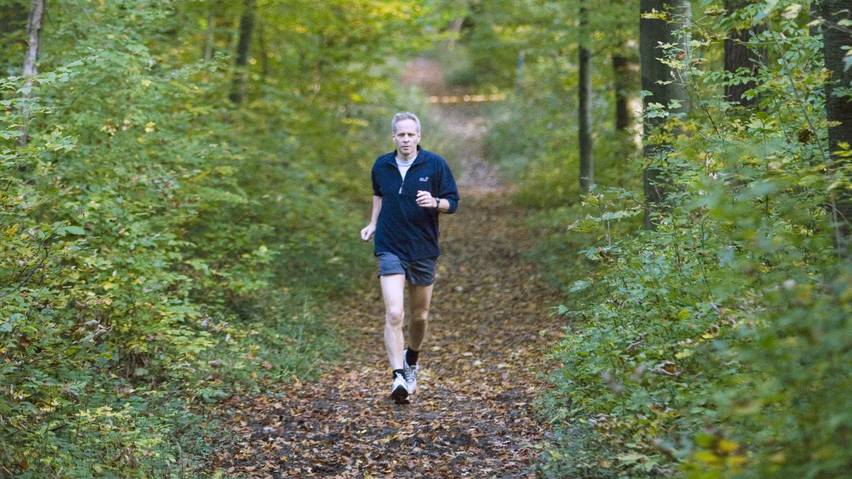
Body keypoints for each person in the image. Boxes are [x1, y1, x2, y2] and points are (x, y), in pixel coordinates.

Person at [360, 111, 459, 404]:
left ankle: (411, 358)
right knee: (394, 313)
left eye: (410, 134)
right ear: (393, 137)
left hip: (423, 248)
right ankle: (398, 376)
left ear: (419, 136)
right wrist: (373, 224)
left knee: (420, 316)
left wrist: (435, 202)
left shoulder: (436, 164)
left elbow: (453, 202)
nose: (405, 139)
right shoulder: (382, 165)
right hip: (390, 245)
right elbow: (379, 197)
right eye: (400, 134)